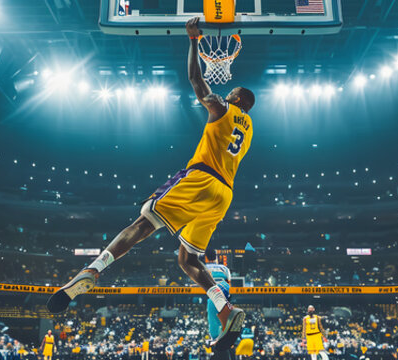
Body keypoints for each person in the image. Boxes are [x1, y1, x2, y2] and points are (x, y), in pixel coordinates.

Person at [47, 16, 255, 351]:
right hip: (224, 195)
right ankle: (225, 307)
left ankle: (93, 269)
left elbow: (195, 80)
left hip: (201, 178)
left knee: (144, 223)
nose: (226, 91)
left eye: (231, 91)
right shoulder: (249, 131)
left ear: (238, 99)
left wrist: (193, 40)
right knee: (188, 260)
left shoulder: (222, 108)